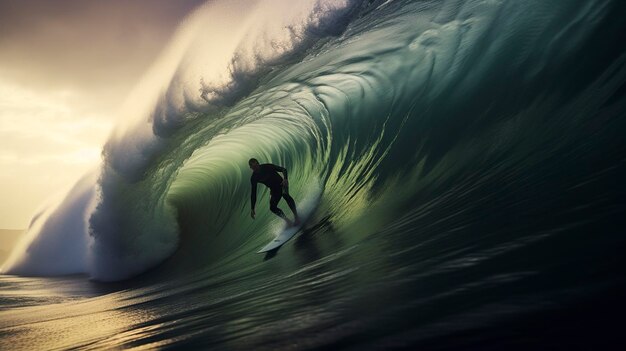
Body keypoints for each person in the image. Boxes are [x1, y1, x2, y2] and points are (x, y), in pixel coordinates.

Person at [249, 158, 300, 226]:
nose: (256, 168)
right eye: (253, 167)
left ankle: (297, 217)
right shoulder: (254, 178)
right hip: (274, 190)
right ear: (251, 168)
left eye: (256, 166)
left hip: (282, 184)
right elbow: (253, 193)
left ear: (258, 163)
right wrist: (252, 208)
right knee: (272, 208)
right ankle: (288, 221)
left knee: (285, 195)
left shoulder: (267, 167)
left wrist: (285, 179)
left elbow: (283, 169)